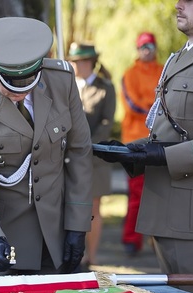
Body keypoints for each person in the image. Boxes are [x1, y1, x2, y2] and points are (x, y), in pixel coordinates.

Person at [93, 0, 193, 293]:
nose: (179, 4)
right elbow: (170, 130)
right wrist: (135, 150)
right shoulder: (179, 58)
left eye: (190, 0)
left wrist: (164, 157)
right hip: (167, 212)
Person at [0, 17, 93, 276]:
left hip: (54, 241)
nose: (20, 92)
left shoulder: (62, 81)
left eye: (27, 82)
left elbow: (79, 152)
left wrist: (77, 224)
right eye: (10, 84)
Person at [67, 42, 116, 268]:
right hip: (67, 157)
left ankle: (91, 256)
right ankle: (72, 252)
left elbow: (107, 123)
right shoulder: (65, 86)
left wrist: (87, 146)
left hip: (94, 158)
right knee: (69, 205)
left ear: (89, 63)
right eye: (73, 61)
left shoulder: (105, 87)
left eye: (78, 62)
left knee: (93, 207)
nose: (75, 65)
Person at [120, 32, 164, 256]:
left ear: (155, 48)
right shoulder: (129, 74)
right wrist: (158, 111)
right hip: (135, 142)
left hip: (162, 141)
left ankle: (158, 242)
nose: (146, 50)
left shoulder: (164, 70)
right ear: (137, 50)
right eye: (142, 46)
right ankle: (131, 240)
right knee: (137, 195)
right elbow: (132, 105)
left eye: (150, 46)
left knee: (162, 194)